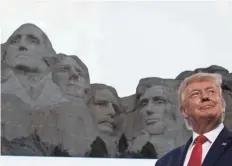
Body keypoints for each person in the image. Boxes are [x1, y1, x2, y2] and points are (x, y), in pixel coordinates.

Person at [155, 73, 232, 166]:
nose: (205, 97)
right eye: (195, 94)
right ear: (184, 111)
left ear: (223, 105)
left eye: (211, 91)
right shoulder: (165, 162)